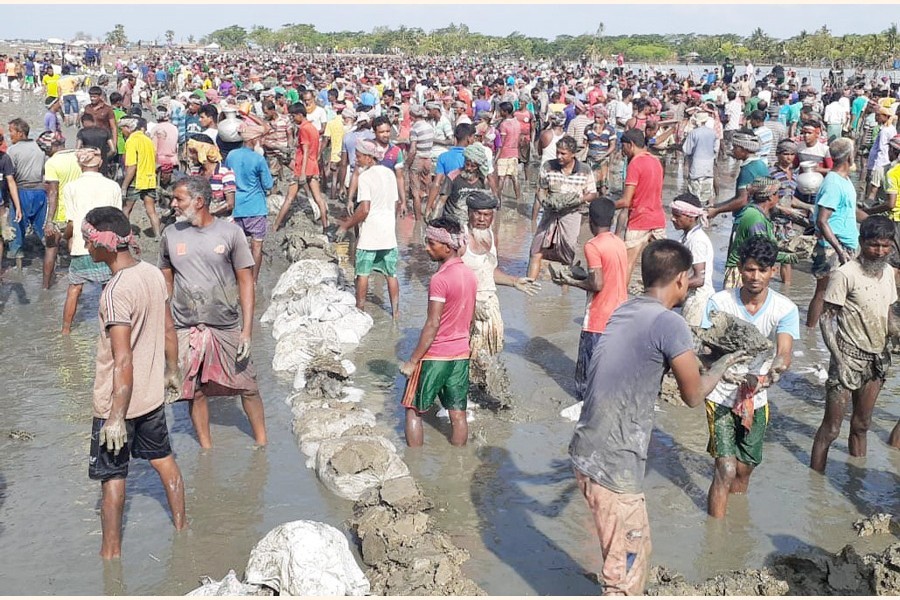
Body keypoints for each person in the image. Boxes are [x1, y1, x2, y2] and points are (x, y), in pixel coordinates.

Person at [570, 239, 743, 596]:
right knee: (626, 569)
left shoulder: (625, 309)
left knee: (634, 550)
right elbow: (694, 395)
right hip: (614, 462)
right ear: (681, 279)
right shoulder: (670, 323)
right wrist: (724, 364)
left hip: (586, 452)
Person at [83, 206, 186, 559]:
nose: (85, 246)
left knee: (112, 482)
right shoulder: (153, 275)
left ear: (107, 245)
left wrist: (114, 417)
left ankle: (110, 559)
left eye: (88, 240)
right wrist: (172, 371)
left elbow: (122, 359)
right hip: (151, 397)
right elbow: (169, 328)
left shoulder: (114, 293)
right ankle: (182, 531)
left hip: (118, 403)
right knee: (165, 462)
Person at [160, 176, 267, 449]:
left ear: (199, 201)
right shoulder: (171, 234)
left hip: (226, 324)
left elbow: (246, 282)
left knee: (248, 386)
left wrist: (246, 331)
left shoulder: (230, 234)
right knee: (193, 391)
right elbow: (166, 282)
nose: (173, 204)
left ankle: (262, 444)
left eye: (178, 199)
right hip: (186, 325)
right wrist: (164, 325)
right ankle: (206, 450)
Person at [702, 236, 798, 518]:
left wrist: (770, 374)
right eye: (749, 269)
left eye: (762, 269)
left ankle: (736, 521)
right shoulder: (720, 303)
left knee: (744, 469)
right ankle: (716, 537)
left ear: (773, 271)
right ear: (740, 270)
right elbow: (706, 348)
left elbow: (784, 354)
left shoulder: (785, 309)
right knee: (726, 468)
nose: (755, 276)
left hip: (757, 396)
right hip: (720, 393)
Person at [810, 216, 898, 472]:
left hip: (878, 359)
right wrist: (838, 360)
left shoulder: (889, 274)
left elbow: (888, 316)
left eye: (885, 245)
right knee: (832, 428)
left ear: (892, 245)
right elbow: (827, 320)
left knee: (862, 424)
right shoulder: (844, 274)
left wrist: (896, 335)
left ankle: (855, 477)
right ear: (861, 242)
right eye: (873, 245)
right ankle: (816, 483)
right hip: (847, 356)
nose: (879, 251)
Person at [400, 216, 476, 447]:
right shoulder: (470, 275)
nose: (426, 248)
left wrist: (413, 361)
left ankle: (413, 465)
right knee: (458, 414)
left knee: (413, 410)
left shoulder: (439, 279)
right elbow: (470, 318)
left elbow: (433, 324)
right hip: (461, 354)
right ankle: (457, 465)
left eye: (431, 243)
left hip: (436, 355)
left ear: (447, 246)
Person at [460, 190, 539, 402]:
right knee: (469, 355)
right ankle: (463, 401)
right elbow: (450, 277)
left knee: (489, 353)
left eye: (487, 215)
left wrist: (514, 282)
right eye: (478, 214)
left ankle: (483, 397)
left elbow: (489, 271)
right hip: (467, 307)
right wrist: (469, 303)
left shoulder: (490, 235)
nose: (482, 219)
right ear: (469, 213)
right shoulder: (460, 239)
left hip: (490, 304)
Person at [550, 198, 626, 402]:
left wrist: (570, 281)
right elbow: (607, 276)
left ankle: (585, 408)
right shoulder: (619, 242)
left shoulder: (592, 245)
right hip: (619, 316)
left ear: (590, 220)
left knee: (587, 377)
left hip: (597, 319)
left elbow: (598, 284)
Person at [335, 140, 400, 318]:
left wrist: (346, 226)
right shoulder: (389, 174)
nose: (357, 159)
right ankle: (396, 314)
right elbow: (395, 204)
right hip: (388, 233)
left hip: (370, 233)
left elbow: (364, 209)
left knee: (362, 273)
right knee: (391, 274)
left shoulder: (365, 177)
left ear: (370, 158)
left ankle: (360, 311)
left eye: (359, 156)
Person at [61, 148, 123, 334]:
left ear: (79, 165)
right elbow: (118, 218)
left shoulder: (70, 187)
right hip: (108, 245)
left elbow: (71, 221)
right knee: (109, 289)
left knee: (74, 288)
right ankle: (110, 330)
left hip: (82, 244)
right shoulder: (113, 186)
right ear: (100, 163)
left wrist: (67, 238)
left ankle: (65, 331)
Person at [807, 138, 865, 328]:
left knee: (842, 294)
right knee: (823, 292)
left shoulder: (844, 180)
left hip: (847, 244)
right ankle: (810, 333)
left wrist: (873, 219)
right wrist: (840, 252)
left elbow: (850, 211)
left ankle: (823, 333)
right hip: (833, 247)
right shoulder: (833, 183)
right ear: (850, 156)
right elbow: (822, 220)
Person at [527, 135, 598, 280]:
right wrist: (545, 201)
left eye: (563, 154)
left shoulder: (584, 169)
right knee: (536, 250)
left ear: (573, 154)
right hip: (550, 212)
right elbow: (540, 189)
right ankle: (529, 285)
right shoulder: (548, 166)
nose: (559, 156)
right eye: (557, 152)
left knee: (567, 254)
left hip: (572, 213)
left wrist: (576, 199)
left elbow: (592, 194)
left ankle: (564, 294)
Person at [224, 122, 274, 284]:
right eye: (260, 138)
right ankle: (253, 281)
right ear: (253, 140)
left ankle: (238, 279)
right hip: (256, 208)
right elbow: (268, 185)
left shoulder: (231, 155)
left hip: (236, 208)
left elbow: (228, 178)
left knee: (237, 247)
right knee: (256, 247)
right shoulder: (258, 159)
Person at [614, 129, 665, 285]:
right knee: (662, 265)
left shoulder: (635, 163)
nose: (622, 151)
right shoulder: (656, 161)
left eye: (623, 147)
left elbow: (626, 201)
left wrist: (605, 205)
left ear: (630, 145)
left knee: (628, 262)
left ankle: (620, 300)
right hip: (658, 219)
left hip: (639, 220)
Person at [272, 102, 329, 232]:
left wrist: (302, 172)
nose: (292, 119)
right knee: (318, 198)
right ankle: (326, 226)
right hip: (313, 166)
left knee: (289, 198)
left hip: (303, 168)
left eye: (293, 116)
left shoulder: (304, 129)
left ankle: (275, 226)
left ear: (299, 115)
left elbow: (306, 150)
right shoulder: (313, 128)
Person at [41, 137, 82, 289]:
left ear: (50, 147)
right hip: (77, 211)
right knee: (75, 247)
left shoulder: (52, 163)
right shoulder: (79, 157)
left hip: (60, 213)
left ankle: (45, 287)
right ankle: (78, 285)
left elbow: (53, 192)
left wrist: (49, 220)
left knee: (51, 248)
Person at [670, 193, 714, 326]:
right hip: (690, 297)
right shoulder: (687, 237)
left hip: (698, 300)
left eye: (677, 216)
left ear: (691, 217)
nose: (672, 219)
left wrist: (670, 286)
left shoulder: (697, 241)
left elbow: (699, 279)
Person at [6, 118, 46, 262]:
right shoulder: (40, 148)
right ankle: (51, 253)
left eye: (11, 131)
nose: (9, 135)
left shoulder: (12, 151)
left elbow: (10, 176)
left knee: (17, 224)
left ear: (20, 133)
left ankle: (17, 257)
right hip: (40, 191)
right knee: (42, 225)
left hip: (21, 191)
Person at [119, 117, 162, 237]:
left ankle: (125, 236)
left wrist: (124, 186)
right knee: (151, 211)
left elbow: (132, 166)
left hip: (136, 180)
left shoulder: (131, 141)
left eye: (122, 129)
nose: (122, 132)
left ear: (128, 128)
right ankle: (157, 236)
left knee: (126, 209)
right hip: (149, 179)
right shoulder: (147, 140)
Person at [682, 110, 718, 207]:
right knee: (708, 193)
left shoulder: (693, 133)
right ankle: (708, 214)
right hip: (708, 168)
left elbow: (687, 150)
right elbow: (716, 149)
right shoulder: (713, 133)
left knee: (694, 195)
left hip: (696, 167)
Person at [495, 101, 522, 204]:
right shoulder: (517, 123)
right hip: (514, 152)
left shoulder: (504, 124)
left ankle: (498, 200)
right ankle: (518, 199)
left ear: (505, 112)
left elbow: (501, 143)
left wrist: (496, 158)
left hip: (504, 153)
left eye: (501, 110)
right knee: (515, 177)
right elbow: (518, 139)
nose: (499, 112)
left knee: (501, 177)